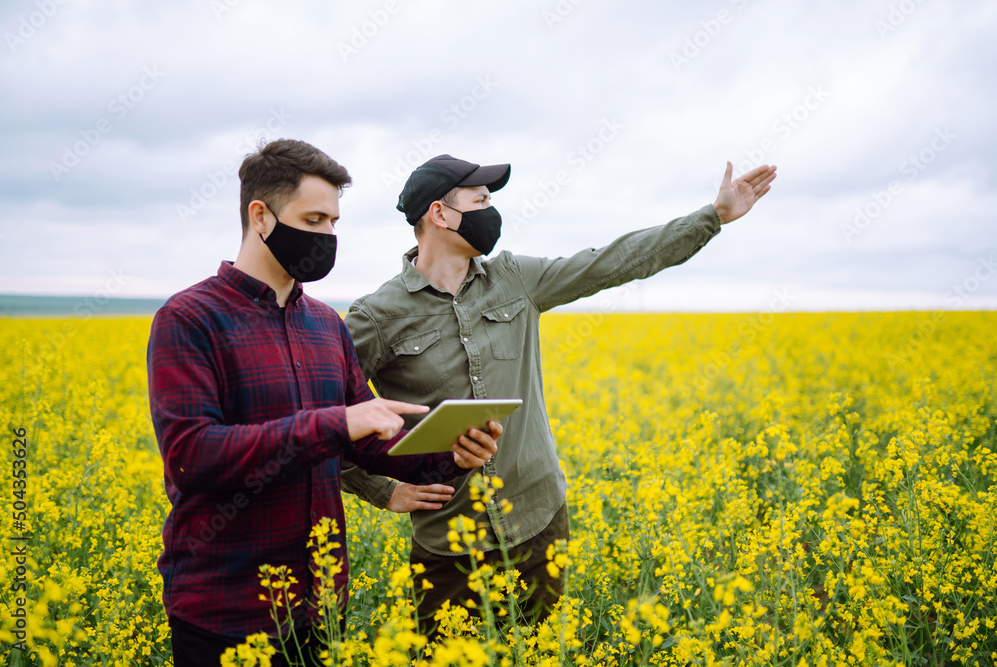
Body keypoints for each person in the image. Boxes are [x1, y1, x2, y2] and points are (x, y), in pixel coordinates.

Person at [341, 153, 777, 629]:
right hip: (450, 539)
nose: (492, 210)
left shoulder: (515, 278)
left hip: (539, 517)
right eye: (481, 199)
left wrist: (711, 217)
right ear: (440, 214)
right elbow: (327, 417)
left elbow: (610, 263)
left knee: (545, 649)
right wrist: (382, 491)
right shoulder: (376, 317)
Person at [146, 139, 502, 667]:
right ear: (260, 216)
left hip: (320, 604)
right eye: (313, 219)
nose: (327, 236)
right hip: (225, 607)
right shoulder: (190, 319)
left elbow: (373, 442)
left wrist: (450, 451)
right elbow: (192, 456)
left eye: (334, 222)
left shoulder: (325, 325)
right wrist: (335, 423)